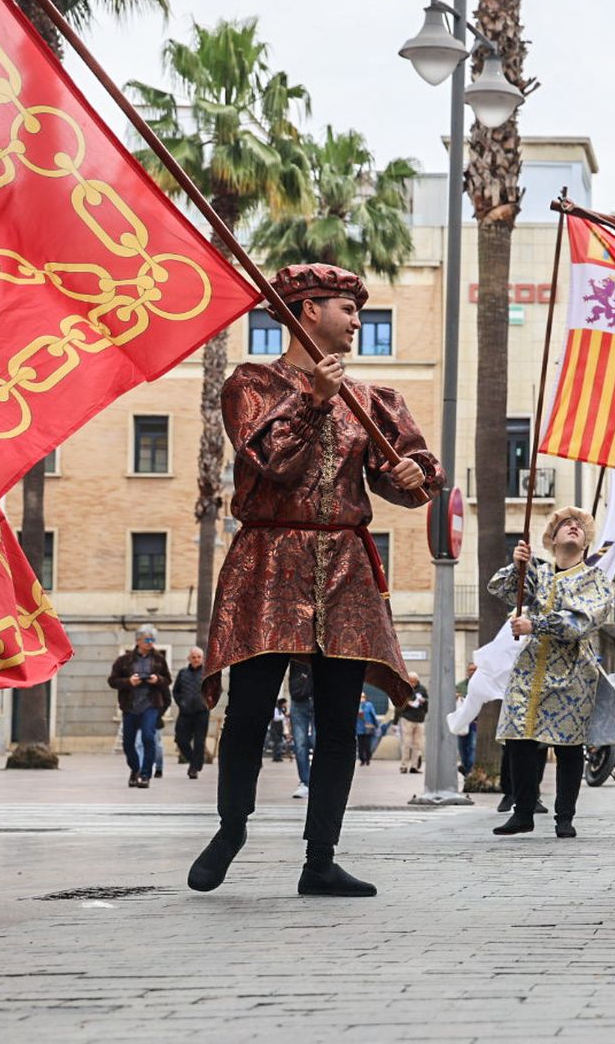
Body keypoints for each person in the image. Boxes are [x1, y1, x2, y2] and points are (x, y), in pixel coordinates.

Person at [185, 263, 442, 897]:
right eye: (346, 307)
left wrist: (415, 477)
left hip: (347, 566)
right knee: (248, 709)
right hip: (269, 559)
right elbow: (271, 459)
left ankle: (320, 857)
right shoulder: (249, 383)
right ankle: (230, 828)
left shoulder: (375, 399)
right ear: (306, 312)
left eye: (360, 309)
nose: (358, 320)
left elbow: (408, 472)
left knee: (338, 716)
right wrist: (313, 398)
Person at [489, 506, 615, 839]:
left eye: (579, 526)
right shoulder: (539, 573)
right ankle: (523, 812)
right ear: (552, 538)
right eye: (565, 524)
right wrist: (517, 565)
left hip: (574, 671)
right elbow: (501, 590)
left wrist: (537, 624)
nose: (573, 527)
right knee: (520, 739)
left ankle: (564, 817)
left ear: (586, 542)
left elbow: (582, 621)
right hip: (530, 670)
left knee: (568, 746)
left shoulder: (596, 580)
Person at [108, 625, 172, 789]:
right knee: (128, 743)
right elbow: (112, 681)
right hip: (130, 706)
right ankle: (135, 769)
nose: (150, 643)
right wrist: (128, 682)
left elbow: (168, 680)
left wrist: (157, 679)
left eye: (152, 640)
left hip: (150, 705)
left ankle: (145, 775)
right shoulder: (124, 660)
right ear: (138, 640)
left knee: (148, 738)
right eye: (147, 639)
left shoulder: (158, 659)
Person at [172, 648, 212, 779]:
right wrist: (181, 703)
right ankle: (195, 762)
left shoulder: (207, 673)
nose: (196, 659)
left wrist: (207, 704)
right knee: (180, 739)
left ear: (202, 659)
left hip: (202, 712)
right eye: (193, 657)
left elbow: (215, 690)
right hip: (185, 712)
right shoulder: (183, 673)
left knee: (199, 742)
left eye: (199, 657)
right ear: (189, 658)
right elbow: (176, 691)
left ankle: (194, 768)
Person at [288, 659, 314, 799]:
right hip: (298, 696)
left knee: (318, 740)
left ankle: (317, 782)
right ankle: (305, 782)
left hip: (320, 696)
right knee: (300, 743)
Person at [398, 680, 427, 773]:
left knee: (418, 744)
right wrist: (407, 703)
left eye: (414, 681)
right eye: (410, 680)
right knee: (406, 743)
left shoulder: (422, 689)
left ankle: (414, 766)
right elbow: (398, 703)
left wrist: (424, 701)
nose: (412, 683)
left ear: (417, 681)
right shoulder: (404, 688)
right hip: (407, 719)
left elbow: (428, 703)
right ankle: (404, 766)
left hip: (419, 720)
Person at [455, 664, 478, 776]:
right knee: (462, 748)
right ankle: (466, 767)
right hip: (463, 721)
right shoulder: (460, 686)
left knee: (472, 746)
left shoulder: (481, 685)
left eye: (474, 669)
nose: (472, 671)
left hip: (475, 722)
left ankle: (469, 770)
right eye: (470, 670)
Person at [355, 693, 379, 767]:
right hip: (361, 728)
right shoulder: (360, 705)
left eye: (363, 697)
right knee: (361, 745)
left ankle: (367, 759)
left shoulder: (368, 705)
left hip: (367, 728)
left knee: (367, 745)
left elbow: (373, 715)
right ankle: (363, 760)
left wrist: (376, 725)